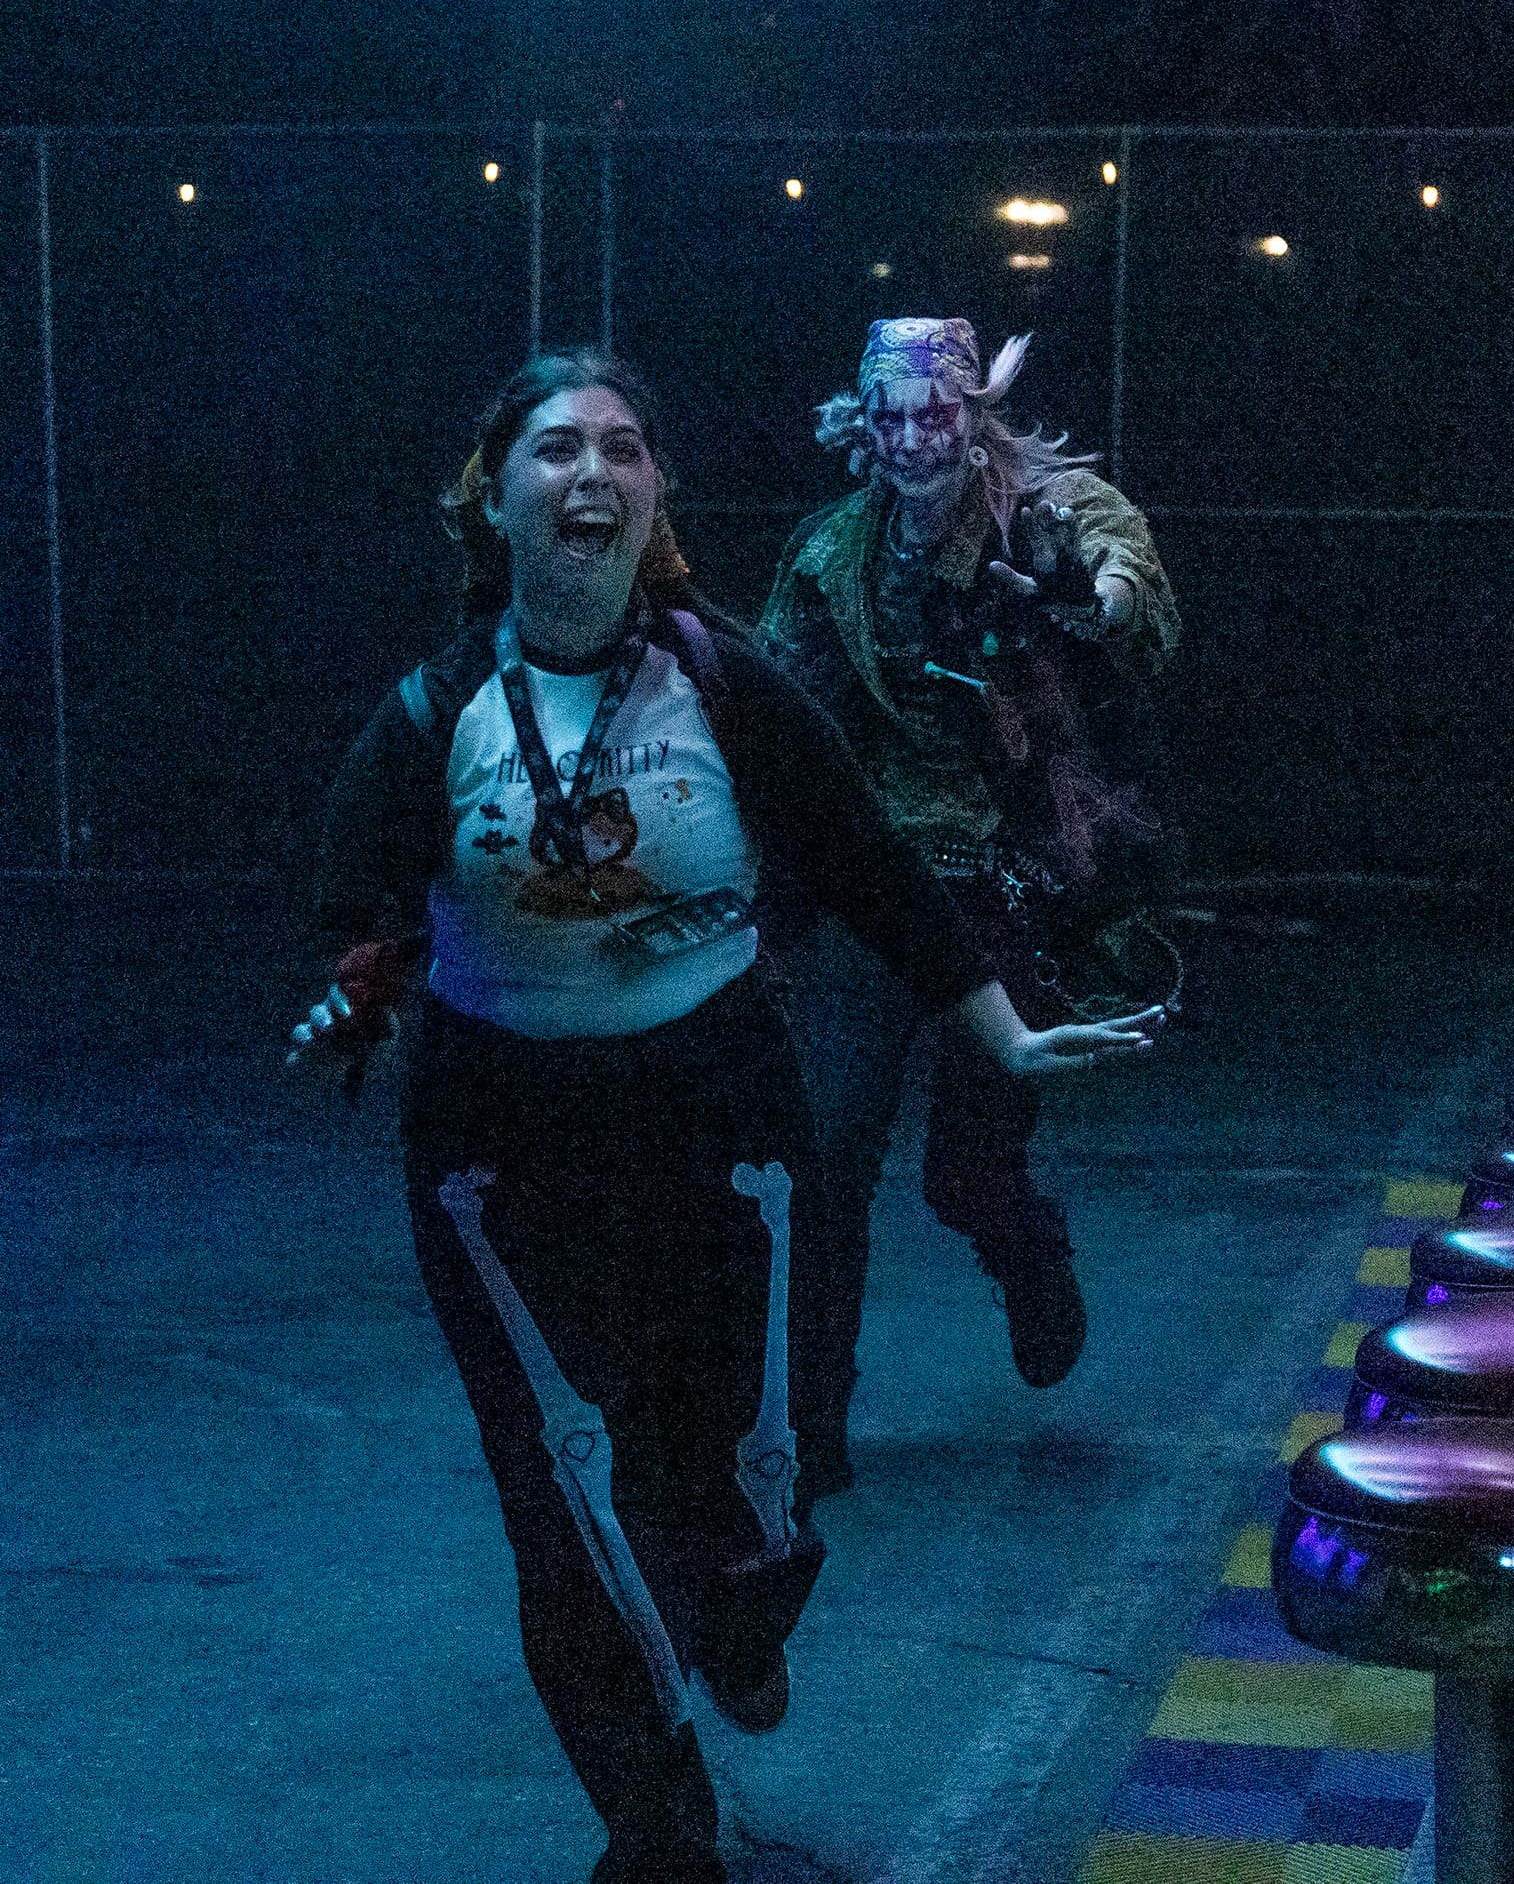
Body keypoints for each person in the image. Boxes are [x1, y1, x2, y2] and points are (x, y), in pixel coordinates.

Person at [288, 348, 1159, 1884]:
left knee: (734, 1479)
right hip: (501, 1161)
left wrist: (1008, 1033)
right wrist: (363, 978)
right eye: (555, 447)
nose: (592, 471)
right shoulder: (435, 709)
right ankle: (657, 1820)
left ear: (655, 497)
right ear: (494, 496)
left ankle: (738, 1612)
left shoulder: (723, 675)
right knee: (562, 1494)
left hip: (715, 1124)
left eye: (624, 445)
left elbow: (870, 861)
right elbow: (348, 896)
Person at [760, 319, 1180, 1485]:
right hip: (872, 884)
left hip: (1010, 873)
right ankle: (813, 1420)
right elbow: (768, 711)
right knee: (828, 1155)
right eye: (887, 419)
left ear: (970, 415)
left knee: (968, 1170)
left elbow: (1122, 568)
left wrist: (1086, 600)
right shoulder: (830, 553)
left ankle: (1027, 1251)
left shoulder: (1036, 522)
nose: (910, 440)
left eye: (933, 415)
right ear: (863, 425)